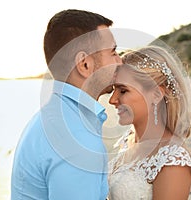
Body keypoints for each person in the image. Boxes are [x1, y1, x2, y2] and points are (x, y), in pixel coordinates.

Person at [11, 9, 121, 200]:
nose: (120, 61)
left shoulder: (49, 118)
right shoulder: (76, 140)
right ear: (84, 64)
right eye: (113, 52)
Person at [107, 45, 191, 199]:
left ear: (155, 94)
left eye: (123, 90)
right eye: (114, 89)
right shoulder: (127, 142)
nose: (112, 100)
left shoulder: (173, 159)